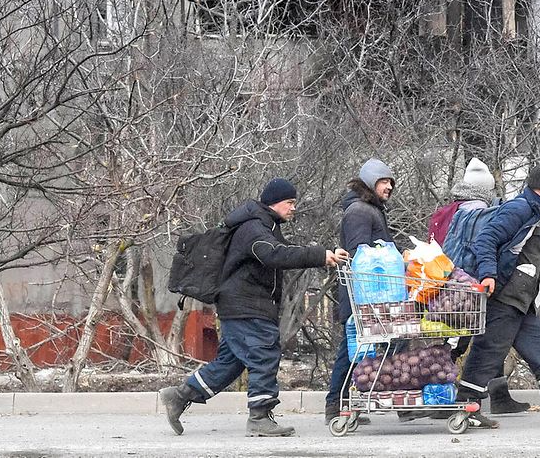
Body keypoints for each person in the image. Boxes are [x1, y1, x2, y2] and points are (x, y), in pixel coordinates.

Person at [160, 178, 346, 437]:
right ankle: (259, 417)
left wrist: (324, 254)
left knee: (230, 363)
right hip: (246, 305)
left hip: (238, 304)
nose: (294, 208)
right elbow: (273, 255)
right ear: (274, 202)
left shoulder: (263, 225)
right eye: (290, 202)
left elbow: (283, 249)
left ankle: (179, 397)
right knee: (264, 353)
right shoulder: (255, 228)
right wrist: (317, 256)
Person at [457, 163, 540, 428]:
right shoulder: (519, 208)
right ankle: (465, 408)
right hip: (505, 294)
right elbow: (486, 239)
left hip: (522, 298)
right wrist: (488, 274)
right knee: (488, 352)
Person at [427, 158, 531, 416]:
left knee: (477, 336)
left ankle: (496, 394)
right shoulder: (479, 213)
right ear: (486, 190)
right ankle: (441, 395)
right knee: (461, 340)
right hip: (467, 283)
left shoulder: (446, 212)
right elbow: (484, 245)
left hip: (444, 281)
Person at [324, 157, 396, 425]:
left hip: (368, 293)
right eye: (384, 181)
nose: (389, 186)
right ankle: (336, 404)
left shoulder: (370, 209)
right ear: (370, 182)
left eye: (391, 181)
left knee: (361, 347)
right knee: (352, 347)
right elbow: (361, 255)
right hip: (362, 294)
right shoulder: (360, 212)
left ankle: (345, 402)